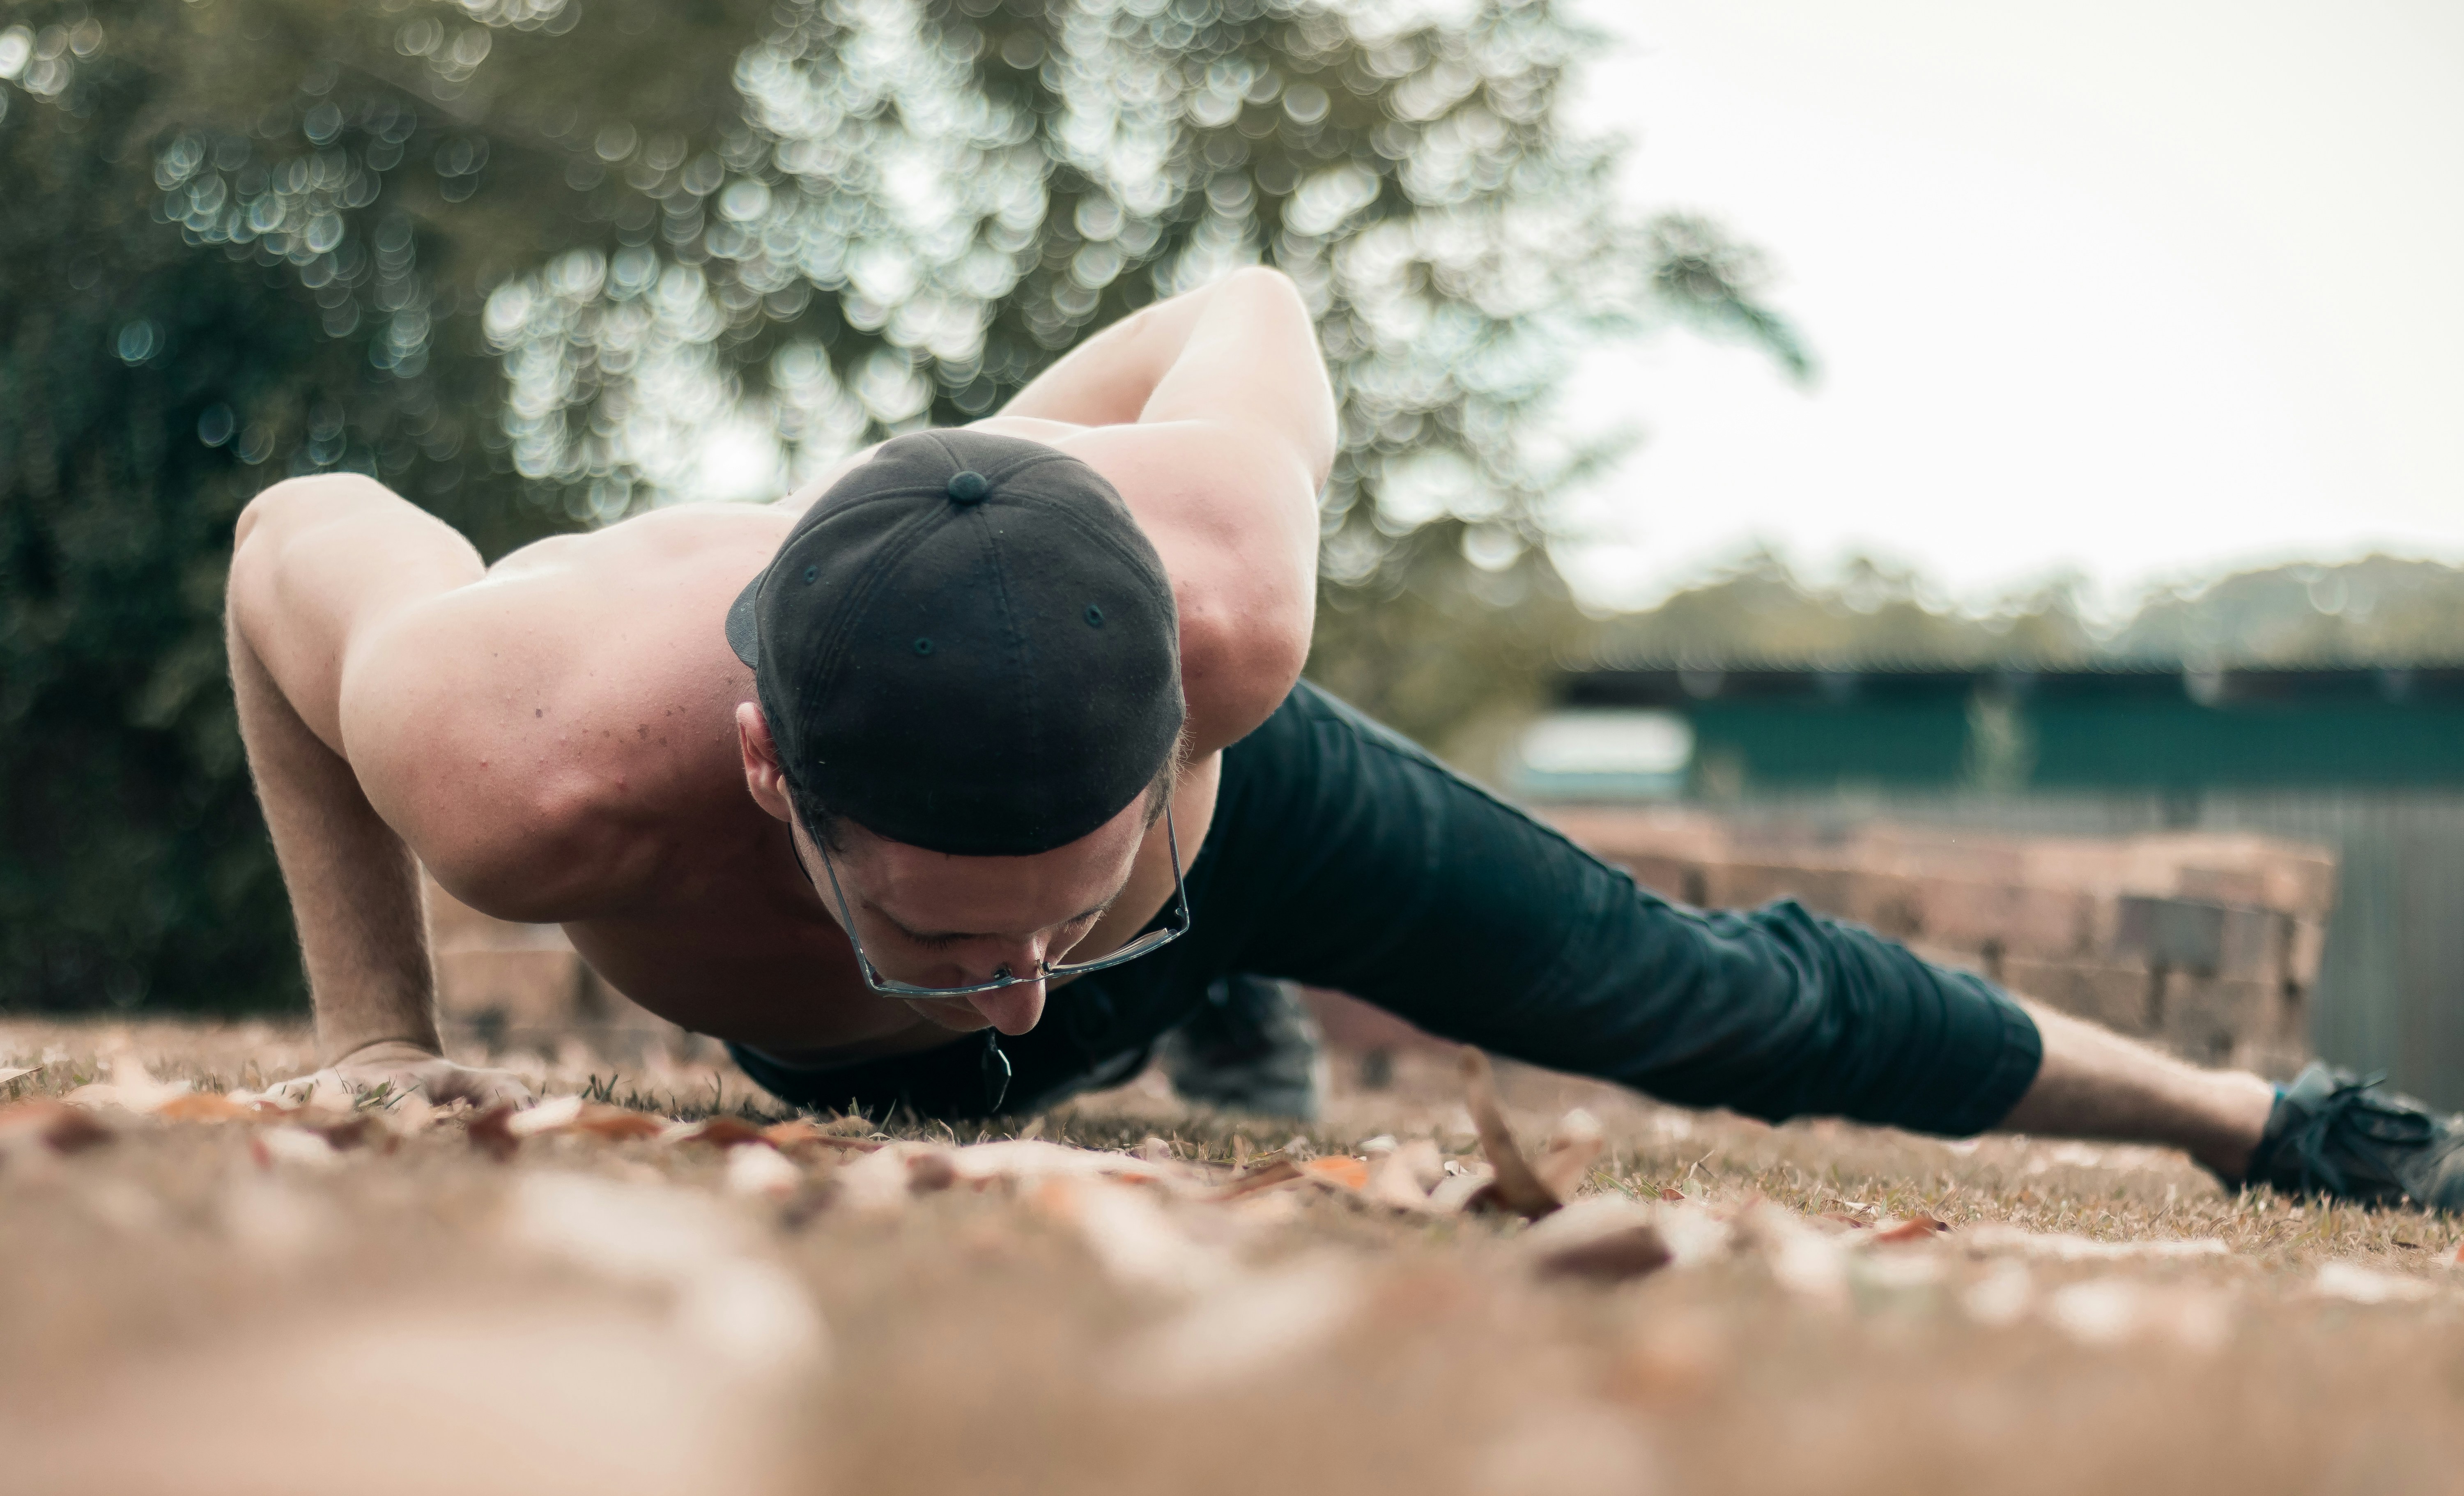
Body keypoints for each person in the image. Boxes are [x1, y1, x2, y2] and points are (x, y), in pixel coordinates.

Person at [225, 269, 2464, 1211]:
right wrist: (367, 1032)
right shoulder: (511, 748)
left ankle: (2272, 1117)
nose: (1017, 987)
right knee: (990, 1060)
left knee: (1698, 1001)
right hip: (855, 1025)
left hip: (1244, 854)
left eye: (1053, 914)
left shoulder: (1224, 587)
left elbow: (1248, 304)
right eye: (938, 934)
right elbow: (280, 543)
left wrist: (980, 502)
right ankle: (1085, 955)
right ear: (765, 779)